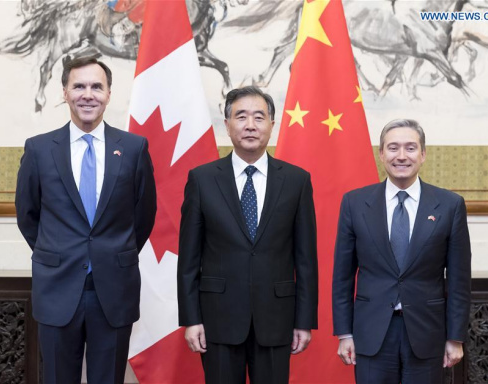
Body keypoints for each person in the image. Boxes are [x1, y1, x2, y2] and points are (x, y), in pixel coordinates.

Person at [15, 56, 157, 384]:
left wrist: (113, 252)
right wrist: (57, 250)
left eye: (96, 86)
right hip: (57, 287)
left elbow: (144, 214)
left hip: (113, 288)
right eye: (79, 86)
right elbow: (28, 215)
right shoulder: (39, 149)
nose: (87, 94)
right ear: (64, 92)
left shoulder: (134, 148)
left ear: (109, 94)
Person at [177, 86, 318, 384]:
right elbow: (189, 260)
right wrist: (191, 319)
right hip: (218, 318)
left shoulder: (296, 181)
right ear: (227, 125)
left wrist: (304, 321)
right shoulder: (202, 179)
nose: (250, 125)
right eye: (241, 117)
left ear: (271, 125)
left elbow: (306, 260)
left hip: (276, 319)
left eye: (259, 117)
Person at [332, 119, 471, 383]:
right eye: (393, 148)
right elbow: (342, 276)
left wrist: (455, 337)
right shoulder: (355, 203)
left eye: (410, 148)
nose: (402, 156)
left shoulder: (450, 205)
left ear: (423, 154)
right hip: (372, 332)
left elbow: (459, 280)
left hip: (427, 333)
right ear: (381, 154)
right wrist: (344, 333)